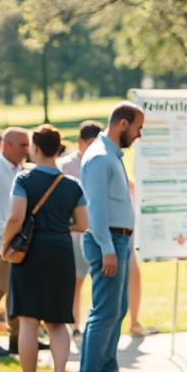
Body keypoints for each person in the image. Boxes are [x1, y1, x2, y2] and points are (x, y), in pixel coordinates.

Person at [2, 125, 89, 372]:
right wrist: (61, 225)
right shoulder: (72, 185)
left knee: (28, 320)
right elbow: (83, 224)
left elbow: (16, 217)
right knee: (58, 321)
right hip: (61, 252)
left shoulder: (24, 179)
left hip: (31, 253)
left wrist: (6, 244)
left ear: (36, 149)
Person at [79, 103, 146, 372]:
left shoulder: (110, 155)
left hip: (118, 240)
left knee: (117, 309)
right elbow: (95, 208)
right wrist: (107, 247)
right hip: (107, 241)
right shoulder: (99, 157)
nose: (139, 134)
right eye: (138, 128)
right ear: (122, 124)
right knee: (105, 310)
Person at [58, 120, 103, 342]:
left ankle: (89, 325)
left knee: (97, 281)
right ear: (81, 142)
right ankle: (75, 324)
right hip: (75, 232)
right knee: (76, 281)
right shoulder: (65, 166)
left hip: (96, 230)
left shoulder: (99, 162)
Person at [0, 127, 29, 355]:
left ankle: (17, 338)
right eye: (22, 145)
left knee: (16, 290)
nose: (26, 149)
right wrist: (8, 239)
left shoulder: (17, 169)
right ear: (7, 145)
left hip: (13, 240)